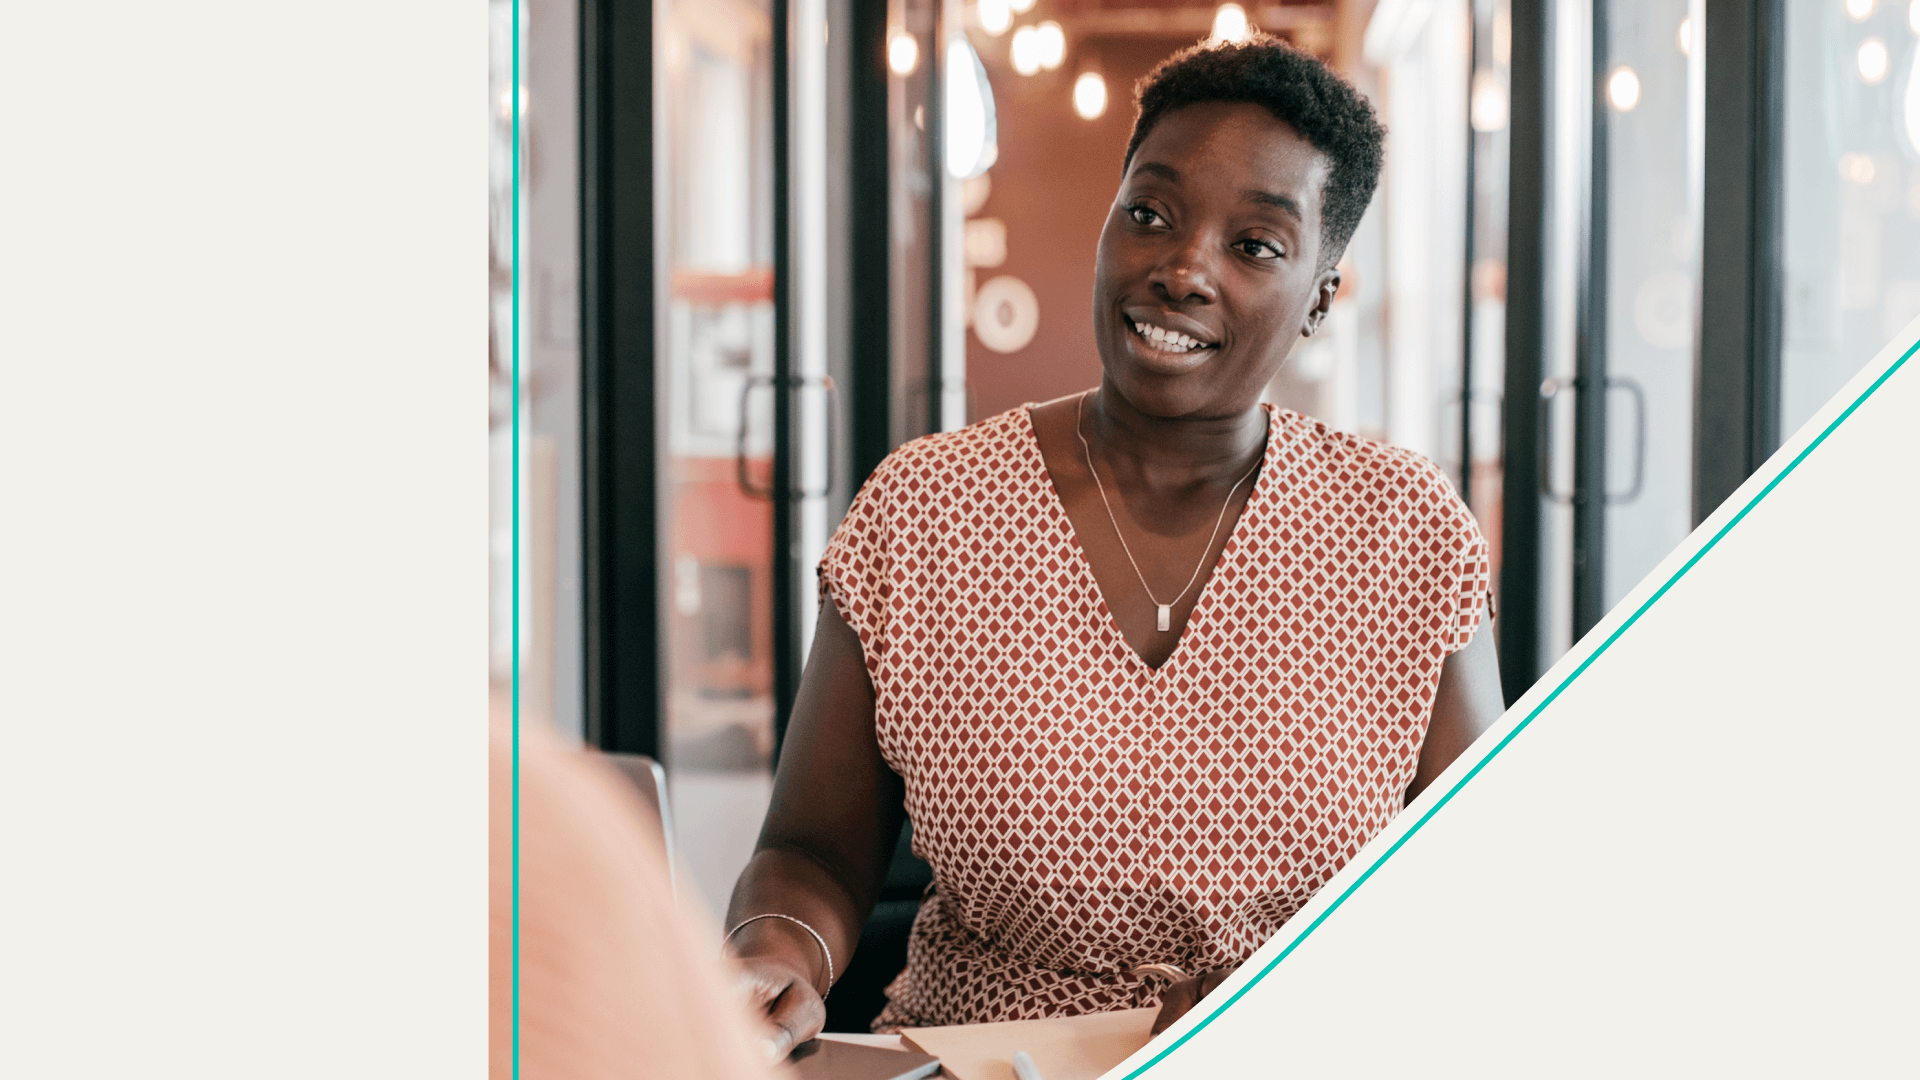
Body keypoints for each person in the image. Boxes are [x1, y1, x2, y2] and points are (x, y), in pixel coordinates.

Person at [724, 34, 1504, 1055]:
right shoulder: (923, 512)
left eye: (1256, 245)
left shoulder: (1403, 530)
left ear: (1320, 292)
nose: (1182, 268)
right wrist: (779, 953)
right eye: (1150, 213)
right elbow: (809, 852)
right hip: (970, 1061)